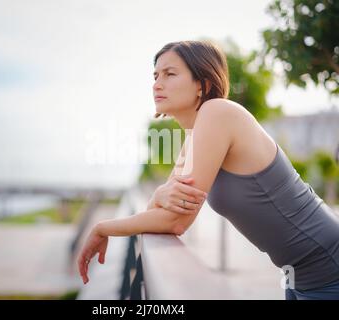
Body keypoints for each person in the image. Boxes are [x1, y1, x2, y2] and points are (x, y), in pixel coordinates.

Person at [77, 40, 339, 300]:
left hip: (329, 269)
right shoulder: (195, 137)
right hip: (300, 276)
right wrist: (159, 195)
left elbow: (175, 222)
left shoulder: (218, 112)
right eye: (156, 75)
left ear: (203, 85)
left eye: (170, 74)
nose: (157, 83)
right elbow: (164, 215)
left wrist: (102, 228)